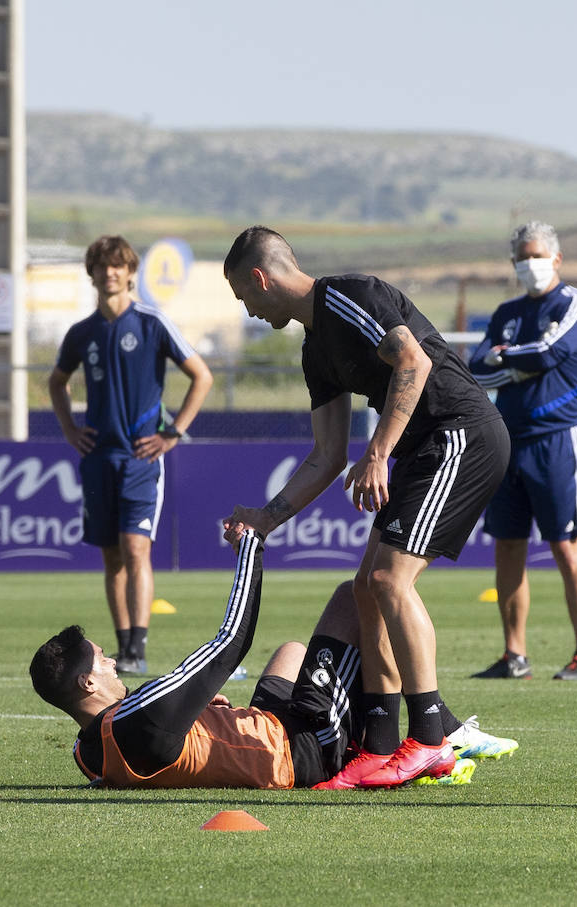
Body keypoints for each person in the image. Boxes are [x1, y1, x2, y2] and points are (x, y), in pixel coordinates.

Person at [221, 226, 516, 788]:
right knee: (365, 591)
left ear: (260, 278)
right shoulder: (315, 351)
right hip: (422, 449)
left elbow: (413, 363)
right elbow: (327, 455)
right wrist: (266, 518)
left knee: (388, 580)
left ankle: (430, 738)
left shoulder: (349, 295)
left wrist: (378, 453)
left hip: (460, 434)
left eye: (243, 296)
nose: (248, 310)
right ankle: (380, 742)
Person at [31, 528, 507, 789]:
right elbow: (230, 641)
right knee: (359, 596)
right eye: (102, 660)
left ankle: (405, 730)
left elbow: (150, 751)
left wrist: (200, 714)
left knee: (292, 652)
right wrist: (250, 550)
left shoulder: (87, 752)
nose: (113, 662)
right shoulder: (140, 719)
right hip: (304, 749)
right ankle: (415, 737)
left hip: (268, 728)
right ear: (86, 684)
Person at [48, 236, 213, 676]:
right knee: (112, 556)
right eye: (101, 266)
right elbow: (57, 382)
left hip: (141, 458)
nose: (109, 273)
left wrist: (173, 432)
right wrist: (69, 429)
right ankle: (123, 647)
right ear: (92, 273)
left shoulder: (151, 322)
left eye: (117, 266)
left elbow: (201, 376)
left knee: (136, 548)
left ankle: (139, 645)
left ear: (129, 272)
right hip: (99, 459)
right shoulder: (82, 332)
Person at [467, 222, 577, 681]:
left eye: (537, 256)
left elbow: (550, 352)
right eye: (522, 258)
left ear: (556, 258)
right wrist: (517, 361)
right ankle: (514, 654)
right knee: (507, 546)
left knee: (566, 545)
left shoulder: (575, 302)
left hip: (557, 437)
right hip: (507, 438)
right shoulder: (507, 311)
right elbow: (476, 369)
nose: (530, 265)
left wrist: (506, 356)